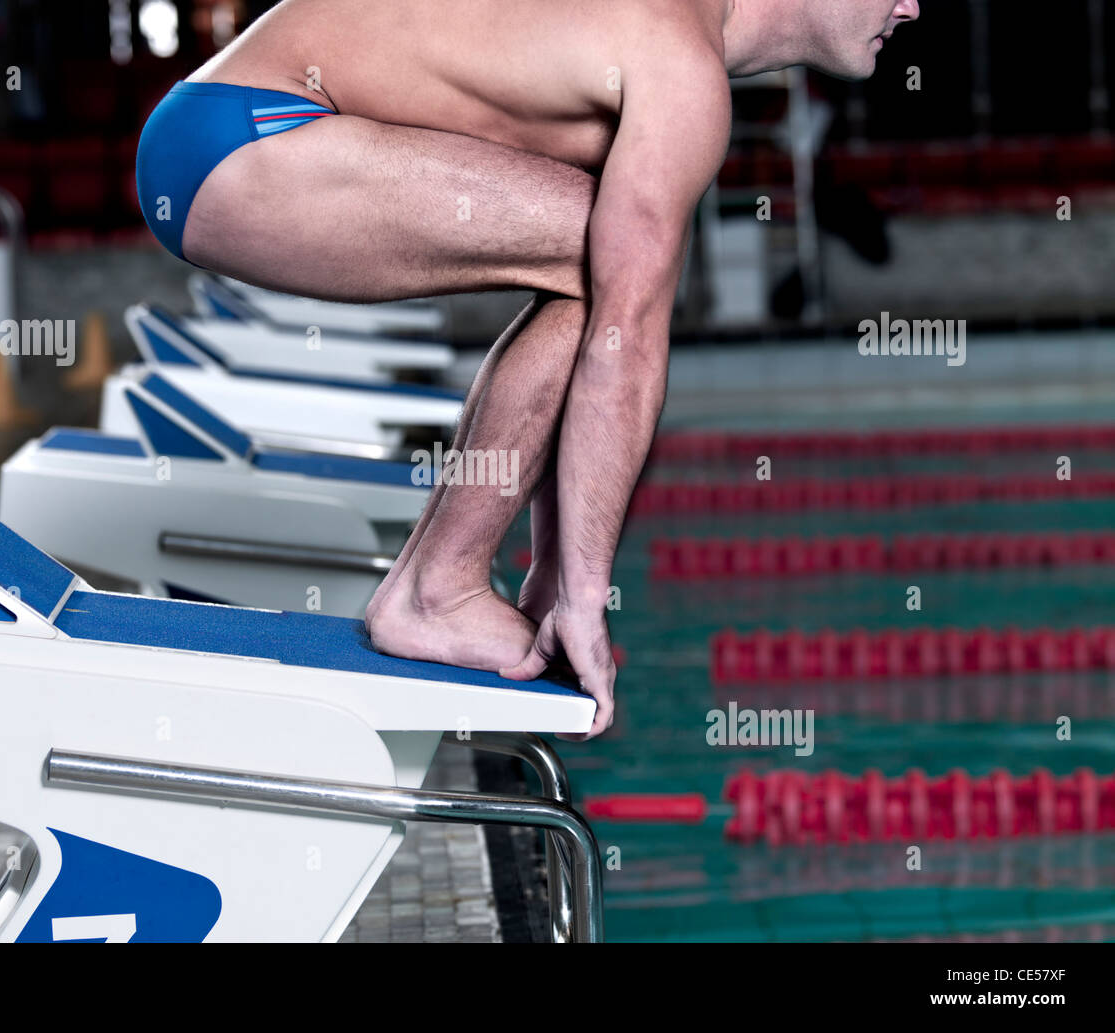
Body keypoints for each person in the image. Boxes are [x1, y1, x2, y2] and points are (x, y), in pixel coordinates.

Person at [135, 0, 921, 738]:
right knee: (613, 264)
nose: (912, 9)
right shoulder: (679, 62)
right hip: (249, 135)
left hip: (226, 130)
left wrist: (554, 565)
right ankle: (434, 588)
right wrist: (585, 597)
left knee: (606, 259)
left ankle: (433, 583)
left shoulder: (667, 38)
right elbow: (627, 339)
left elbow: (603, 325)